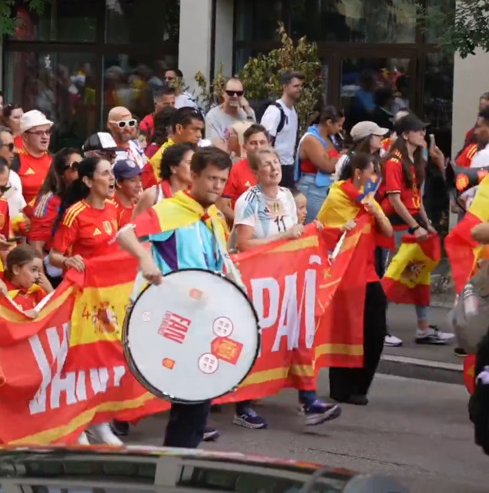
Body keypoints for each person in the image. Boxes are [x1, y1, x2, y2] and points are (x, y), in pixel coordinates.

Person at [116, 147, 235, 448]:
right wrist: (146, 260)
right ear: (193, 176)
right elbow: (125, 234)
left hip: (203, 317)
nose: (217, 186)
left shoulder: (212, 216)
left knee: (196, 404)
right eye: (211, 178)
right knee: (191, 404)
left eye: (222, 180)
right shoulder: (170, 210)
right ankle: (174, 465)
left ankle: (178, 463)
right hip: (178, 318)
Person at [230, 147, 341, 428]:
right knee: (257, 341)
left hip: (287, 279)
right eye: (266, 164)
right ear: (255, 172)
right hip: (257, 280)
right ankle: (242, 406)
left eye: (276, 162)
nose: (273, 168)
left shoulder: (286, 197)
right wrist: (284, 237)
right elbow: (244, 244)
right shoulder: (248, 201)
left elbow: (295, 237)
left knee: (298, 336)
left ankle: (309, 400)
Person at [46, 155, 123, 446]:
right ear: (89, 181)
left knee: (105, 361)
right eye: (105, 173)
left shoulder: (114, 209)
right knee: (81, 361)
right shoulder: (75, 213)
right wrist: (68, 260)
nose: (111, 178)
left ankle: (100, 423)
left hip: (109, 298)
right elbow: (54, 257)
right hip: (82, 299)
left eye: (112, 172)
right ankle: (76, 425)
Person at [319, 152, 395, 406]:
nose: (376, 177)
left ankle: (361, 384)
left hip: (367, 271)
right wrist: (344, 227)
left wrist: (376, 212)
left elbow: (387, 231)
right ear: (358, 173)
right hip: (343, 274)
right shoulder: (337, 196)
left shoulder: (368, 198)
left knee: (375, 329)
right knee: (345, 328)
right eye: (373, 172)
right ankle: (341, 387)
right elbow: (324, 232)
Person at [379, 113, 453, 345]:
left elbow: (415, 197)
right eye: (418, 130)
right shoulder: (393, 161)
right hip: (398, 226)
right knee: (392, 276)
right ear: (405, 134)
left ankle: (423, 328)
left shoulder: (416, 159)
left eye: (423, 130)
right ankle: (379, 328)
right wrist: (414, 227)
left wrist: (426, 223)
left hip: (412, 223)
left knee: (421, 275)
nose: (423, 133)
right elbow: (395, 200)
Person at [27, 147, 82, 257]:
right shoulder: (49, 200)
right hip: (56, 261)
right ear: (61, 172)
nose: (81, 171)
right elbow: (36, 245)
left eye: (83, 166)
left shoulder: (87, 196)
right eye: (75, 167)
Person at [295, 105, 345, 223]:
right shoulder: (311, 139)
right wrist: (341, 156)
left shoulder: (331, 138)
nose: (340, 129)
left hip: (325, 187)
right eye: (339, 125)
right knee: (312, 225)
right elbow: (327, 166)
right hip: (312, 188)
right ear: (329, 122)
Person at [218, 124, 271, 223]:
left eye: (262, 142)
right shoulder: (235, 170)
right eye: (253, 143)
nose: (258, 147)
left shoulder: (274, 169)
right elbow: (222, 206)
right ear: (244, 146)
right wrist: (245, 223)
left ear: (269, 144)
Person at [260, 70, 304, 188]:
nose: (299, 89)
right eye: (296, 86)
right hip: (275, 166)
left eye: (301, 86)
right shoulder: (275, 111)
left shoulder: (293, 111)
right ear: (285, 86)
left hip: (289, 166)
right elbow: (264, 141)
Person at [141, 107, 204, 188]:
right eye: (195, 129)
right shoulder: (160, 159)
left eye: (200, 130)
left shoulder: (195, 152)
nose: (199, 135)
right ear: (179, 128)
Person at [133, 142, 197, 220]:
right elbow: (136, 225)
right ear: (173, 168)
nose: (195, 168)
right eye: (190, 163)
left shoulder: (198, 196)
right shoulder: (153, 196)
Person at [13, 110, 55, 205]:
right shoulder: (15, 161)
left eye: (47, 132)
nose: (45, 137)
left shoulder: (55, 160)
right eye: (39, 133)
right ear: (25, 137)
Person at [3, 244, 52, 318]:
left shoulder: (36, 291)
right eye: (33, 270)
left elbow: (54, 312)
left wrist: (50, 290)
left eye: (38, 271)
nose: (37, 276)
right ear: (16, 269)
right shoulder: (3, 294)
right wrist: (21, 316)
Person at [204, 77, 255, 147]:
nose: (235, 96)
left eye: (239, 93)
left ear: (243, 95)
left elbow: (255, 138)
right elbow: (214, 145)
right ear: (223, 93)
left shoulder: (248, 112)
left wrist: (249, 113)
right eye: (231, 93)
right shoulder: (213, 116)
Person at [113, 159, 143, 227]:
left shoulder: (139, 206)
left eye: (140, 180)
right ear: (119, 183)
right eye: (133, 180)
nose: (139, 185)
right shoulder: (111, 209)